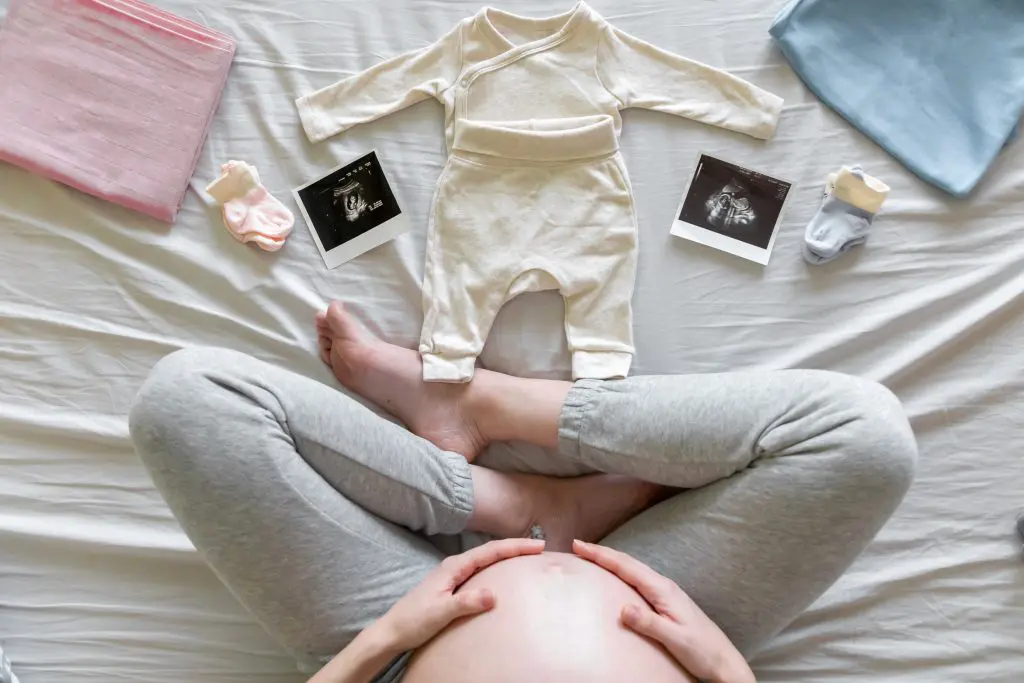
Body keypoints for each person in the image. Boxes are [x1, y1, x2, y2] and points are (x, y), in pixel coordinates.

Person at [129, 301, 917, 683]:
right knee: (866, 437)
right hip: (673, 620)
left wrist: (379, 642)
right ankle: (493, 410)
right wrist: (730, 677)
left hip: (403, 640)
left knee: (188, 401)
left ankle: (497, 499)